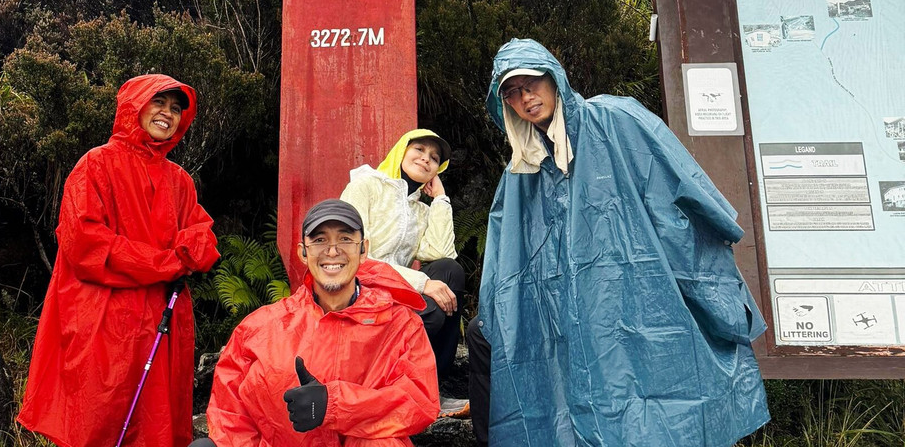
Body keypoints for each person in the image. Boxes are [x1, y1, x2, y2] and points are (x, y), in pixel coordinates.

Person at [467, 39, 769, 447]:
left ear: (553, 78)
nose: (526, 97)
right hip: (563, 305)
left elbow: (677, 186)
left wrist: (707, 266)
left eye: (531, 82)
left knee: (651, 386)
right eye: (512, 91)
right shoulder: (522, 170)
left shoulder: (615, 118)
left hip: (638, 288)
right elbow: (507, 258)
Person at [18, 74, 220, 447]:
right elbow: (85, 245)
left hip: (161, 319)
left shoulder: (180, 181)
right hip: (104, 322)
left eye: (176, 109)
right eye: (158, 103)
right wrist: (167, 263)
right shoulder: (95, 165)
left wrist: (190, 250)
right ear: (135, 106)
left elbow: (202, 235)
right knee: (98, 420)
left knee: (154, 424)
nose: (168, 114)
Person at [199, 199, 439, 447]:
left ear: (363, 249)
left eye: (345, 238)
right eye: (320, 240)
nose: (333, 251)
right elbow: (229, 415)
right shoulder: (260, 327)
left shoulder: (400, 324)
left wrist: (334, 405)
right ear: (303, 252)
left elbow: (419, 400)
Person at [339, 130, 467, 415]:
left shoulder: (419, 209)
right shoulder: (366, 185)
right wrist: (423, 283)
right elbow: (355, 256)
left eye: (434, 159)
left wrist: (441, 199)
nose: (426, 159)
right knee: (431, 311)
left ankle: (434, 388)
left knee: (451, 271)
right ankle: (403, 388)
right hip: (360, 291)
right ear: (401, 150)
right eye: (419, 150)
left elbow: (441, 252)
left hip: (396, 291)